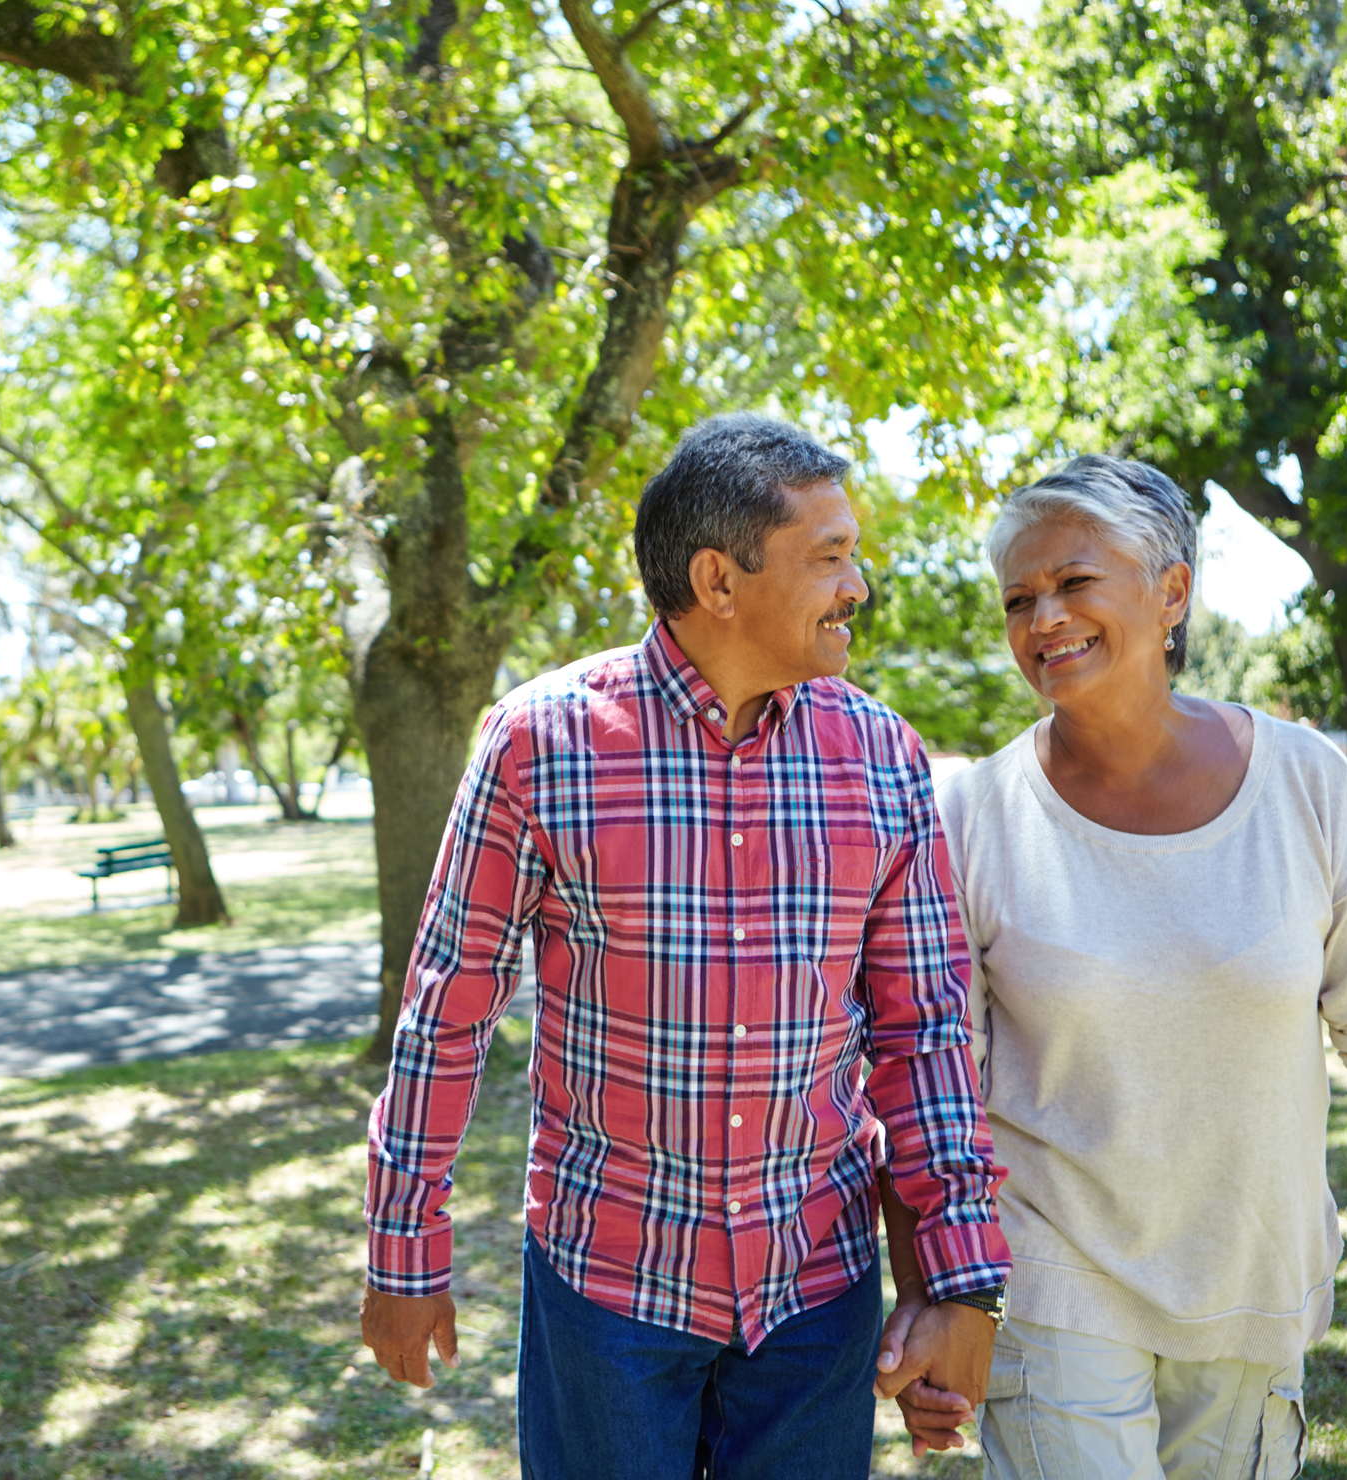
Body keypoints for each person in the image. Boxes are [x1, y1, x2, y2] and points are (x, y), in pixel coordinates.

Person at [360, 413, 1012, 1479]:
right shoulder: (539, 742)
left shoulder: (882, 754)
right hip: (607, 1290)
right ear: (719, 580)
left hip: (815, 1294)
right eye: (831, 558)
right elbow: (449, 1004)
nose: (859, 587)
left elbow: (923, 1032)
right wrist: (402, 1247)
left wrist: (956, 1281)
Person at [879, 455, 1347, 1477]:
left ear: (1171, 591)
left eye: (1072, 581)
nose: (1042, 617)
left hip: (1249, 1286)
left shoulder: (1307, 786)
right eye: (1019, 598)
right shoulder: (972, 817)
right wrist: (938, 1299)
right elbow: (928, 1078)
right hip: (1053, 1284)